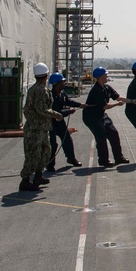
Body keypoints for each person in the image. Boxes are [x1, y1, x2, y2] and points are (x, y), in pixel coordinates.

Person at [19, 63, 63, 192]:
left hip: (41, 127)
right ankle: (25, 181)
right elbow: (41, 109)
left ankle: (38, 175)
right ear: (46, 75)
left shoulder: (37, 89)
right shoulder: (40, 90)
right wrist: (56, 115)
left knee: (45, 151)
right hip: (35, 128)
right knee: (33, 154)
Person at [81, 66, 128, 168]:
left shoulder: (106, 88)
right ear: (100, 77)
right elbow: (105, 106)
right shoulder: (96, 90)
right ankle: (104, 160)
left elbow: (118, 97)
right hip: (92, 117)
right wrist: (117, 105)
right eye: (105, 75)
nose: (107, 76)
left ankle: (119, 157)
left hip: (101, 115)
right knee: (101, 137)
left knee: (113, 133)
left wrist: (130, 101)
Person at [46, 72, 83, 172]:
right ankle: (50, 164)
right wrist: (69, 111)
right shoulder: (51, 96)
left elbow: (68, 101)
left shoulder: (62, 93)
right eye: (62, 82)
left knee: (67, 140)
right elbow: (56, 112)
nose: (64, 83)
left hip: (60, 122)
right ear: (57, 83)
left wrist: (80, 105)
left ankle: (71, 158)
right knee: (53, 144)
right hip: (51, 123)